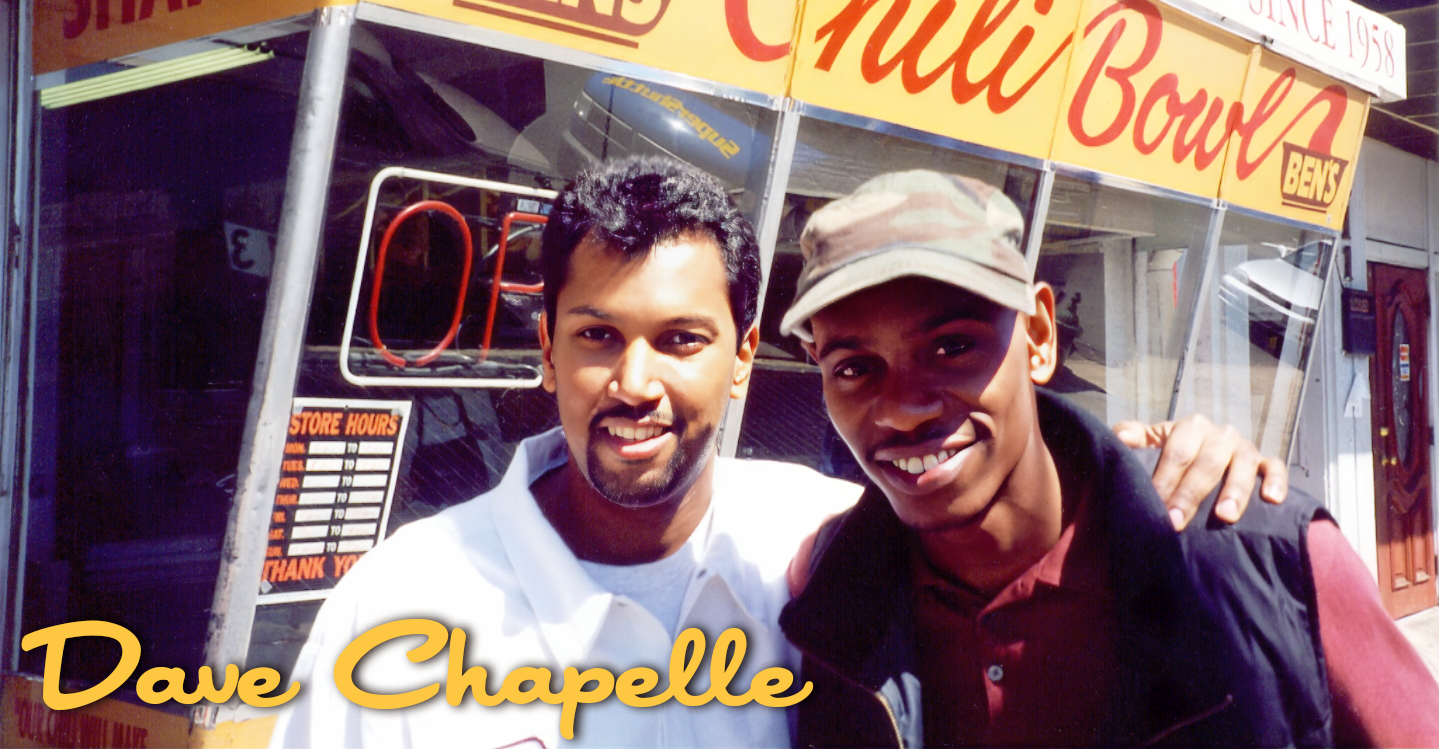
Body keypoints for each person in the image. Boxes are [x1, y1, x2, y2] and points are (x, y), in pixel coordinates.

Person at [272, 157, 1289, 749]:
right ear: (545, 352)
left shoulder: (822, 547)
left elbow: (1023, 512)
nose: (634, 382)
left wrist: (1178, 468)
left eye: (680, 339)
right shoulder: (397, 605)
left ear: (743, 358)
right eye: (596, 336)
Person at [777, 170, 1439, 748]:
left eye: (952, 346)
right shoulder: (829, 593)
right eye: (854, 367)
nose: (902, 408)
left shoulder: (1269, 562)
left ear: (1038, 335)